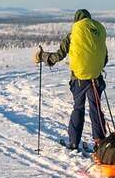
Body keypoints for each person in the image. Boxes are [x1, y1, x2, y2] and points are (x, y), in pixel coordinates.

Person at [35, 9, 109, 152]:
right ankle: (99, 141)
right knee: (96, 107)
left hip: (79, 79)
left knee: (78, 108)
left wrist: (43, 56)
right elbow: (105, 58)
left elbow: (58, 55)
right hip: (95, 78)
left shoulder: (73, 35)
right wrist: (94, 69)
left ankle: (74, 142)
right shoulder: (98, 34)